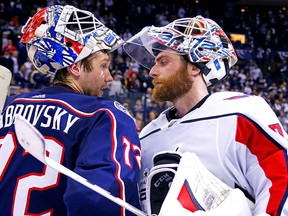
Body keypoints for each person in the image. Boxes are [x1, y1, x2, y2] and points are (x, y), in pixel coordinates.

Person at [123, 15, 288, 215]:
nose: (152, 72)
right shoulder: (148, 135)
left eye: (163, 62)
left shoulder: (240, 115)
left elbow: (279, 183)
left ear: (195, 66)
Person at [0, 5, 141, 216]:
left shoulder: (7, 106)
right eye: (103, 65)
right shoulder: (104, 115)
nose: (109, 77)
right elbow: (99, 202)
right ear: (74, 67)